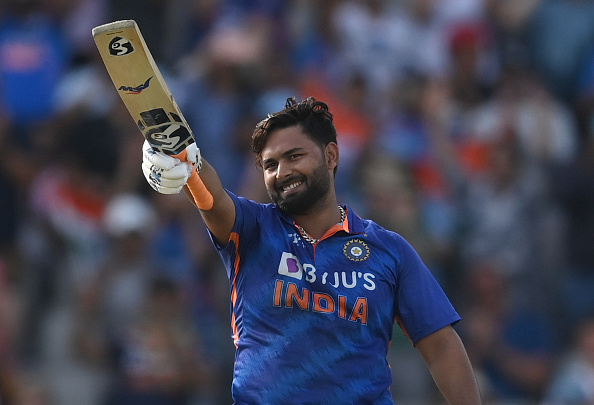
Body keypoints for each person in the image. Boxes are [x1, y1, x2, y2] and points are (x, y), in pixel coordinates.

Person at [140, 97, 481, 404]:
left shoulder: (388, 250)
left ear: (331, 155)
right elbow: (212, 200)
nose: (282, 172)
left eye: (294, 156)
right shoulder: (252, 228)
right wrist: (186, 163)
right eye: (270, 165)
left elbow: (441, 346)